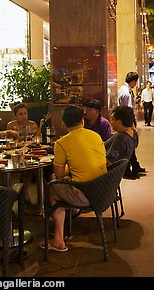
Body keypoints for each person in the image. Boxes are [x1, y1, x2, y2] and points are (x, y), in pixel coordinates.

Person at [40, 105, 107, 253]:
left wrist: (67, 169)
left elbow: (58, 175)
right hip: (105, 191)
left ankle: (58, 239)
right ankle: (70, 211)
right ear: (82, 120)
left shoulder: (61, 143)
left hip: (85, 195)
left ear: (63, 123)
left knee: (52, 186)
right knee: (59, 183)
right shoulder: (95, 135)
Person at [6, 103, 41, 205]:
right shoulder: (11, 125)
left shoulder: (33, 124)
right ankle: (20, 194)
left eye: (25, 113)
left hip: (31, 151)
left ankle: (40, 193)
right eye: (20, 114)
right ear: (15, 115)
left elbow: (38, 139)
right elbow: (9, 141)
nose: (24, 116)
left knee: (34, 169)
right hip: (15, 153)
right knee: (27, 169)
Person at [118, 71, 146, 178]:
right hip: (127, 121)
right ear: (133, 81)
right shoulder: (127, 92)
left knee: (130, 146)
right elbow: (128, 110)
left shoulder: (123, 89)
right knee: (128, 146)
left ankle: (135, 165)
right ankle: (127, 169)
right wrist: (132, 125)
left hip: (124, 120)